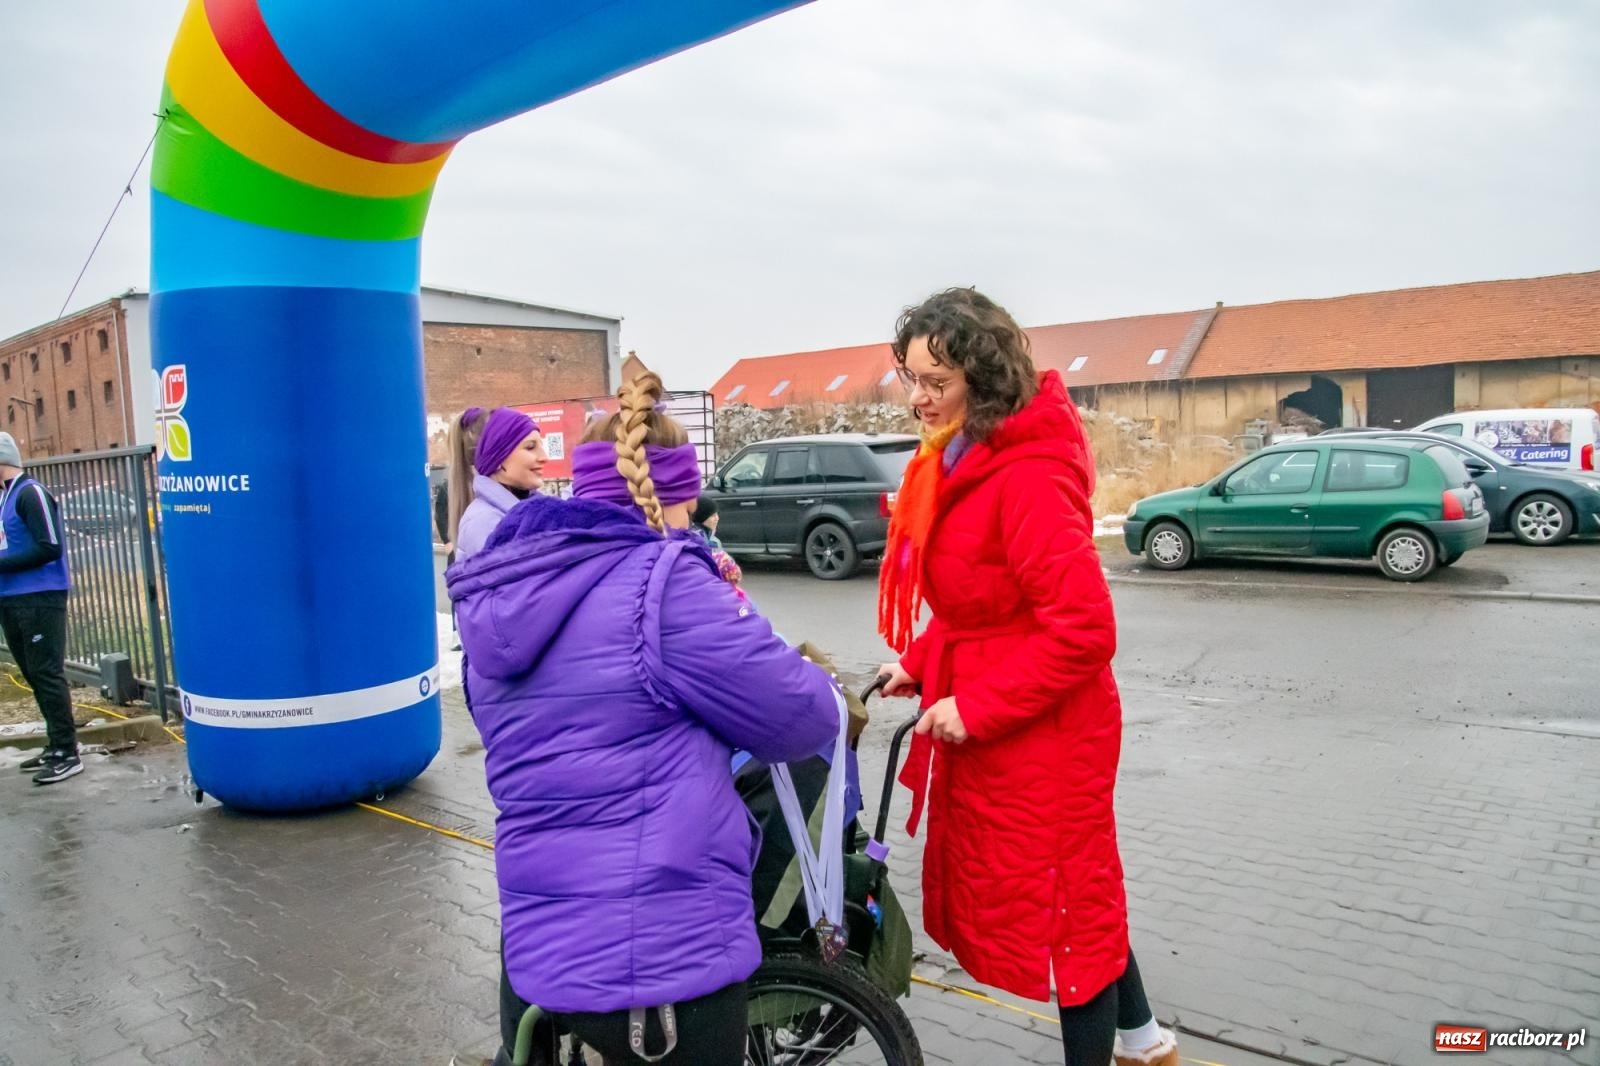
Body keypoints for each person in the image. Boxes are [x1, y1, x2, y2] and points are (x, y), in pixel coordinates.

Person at [448, 373, 841, 1066]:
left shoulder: (504, 589)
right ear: (680, 498)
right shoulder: (665, 587)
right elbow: (802, 717)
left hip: (545, 955)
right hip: (662, 966)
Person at [874, 288, 1179, 1066]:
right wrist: (917, 662)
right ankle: (1143, 1042)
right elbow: (980, 598)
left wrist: (976, 707)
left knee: (1074, 916)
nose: (917, 399)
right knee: (1083, 897)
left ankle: (1118, 1049)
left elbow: (1085, 631)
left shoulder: (1029, 476)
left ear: (981, 378)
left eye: (933, 383)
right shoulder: (962, 455)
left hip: (1050, 731)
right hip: (1010, 719)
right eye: (909, 379)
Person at [0, 432, 79, 786]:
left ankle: (68, 751)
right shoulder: (6, 497)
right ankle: (55, 744)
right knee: (31, 671)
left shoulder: (30, 493)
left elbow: (50, 547)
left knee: (46, 672)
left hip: (40, 595)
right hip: (12, 597)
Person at [453, 407, 547, 562]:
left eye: (541, 446)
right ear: (497, 459)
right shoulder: (484, 523)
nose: (544, 457)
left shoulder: (534, 512)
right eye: (530, 447)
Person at [690, 495, 744, 590]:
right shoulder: (696, 539)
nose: (717, 518)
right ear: (702, 517)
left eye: (717, 514)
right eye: (712, 516)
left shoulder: (712, 539)